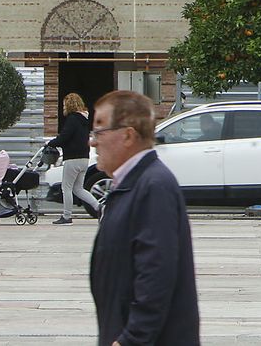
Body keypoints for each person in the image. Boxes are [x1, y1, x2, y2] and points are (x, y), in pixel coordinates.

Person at [88, 89, 199, 345]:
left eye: (100, 130)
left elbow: (156, 274)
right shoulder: (130, 184)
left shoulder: (153, 186)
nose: (93, 142)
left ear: (128, 135)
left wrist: (131, 339)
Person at [54, 91, 100, 224]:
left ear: (69, 105)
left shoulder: (72, 119)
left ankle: (67, 216)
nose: (63, 107)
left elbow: (64, 137)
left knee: (66, 188)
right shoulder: (84, 120)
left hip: (72, 158)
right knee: (78, 188)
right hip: (84, 158)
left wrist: (51, 143)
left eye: (64, 104)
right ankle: (99, 207)